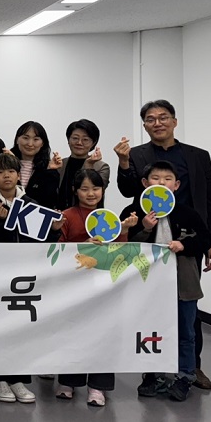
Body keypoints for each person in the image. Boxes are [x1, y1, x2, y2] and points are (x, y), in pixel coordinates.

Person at [114, 99, 211, 390]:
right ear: (144, 125)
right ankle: (153, 369)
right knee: (150, 308)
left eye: (163, 117)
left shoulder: (198, 156)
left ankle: (192, 367)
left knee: (188, 306)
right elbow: (127, 190)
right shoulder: (136, 154)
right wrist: (123, 163)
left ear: (174, 121)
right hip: (150, 241)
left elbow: (208, 199)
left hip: (187, 240)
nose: (157, 123)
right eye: (150, 119)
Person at [124, 161, 211, 402]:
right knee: (151, 330)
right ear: (145, 183)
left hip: (184, 284)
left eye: (167, 179)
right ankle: (153, 374)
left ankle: (185, 375)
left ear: (176, 185)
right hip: (148, 286)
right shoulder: (134, 212)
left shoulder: (187, 213)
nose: (161, 183)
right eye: (155, 178)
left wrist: (184, 245)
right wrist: (144, 229)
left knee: (186, 332)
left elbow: (205, 239)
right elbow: (123, 245)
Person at [0, 152, 63, 404]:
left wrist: (54, 231)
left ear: (19, 175)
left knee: (21, 327)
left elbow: (40, 239)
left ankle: (19, 379)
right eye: (0, 172)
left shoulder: (30, 203)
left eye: (11, 171)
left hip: (24, 276)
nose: (6, 176)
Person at [54, 168, 137, 406]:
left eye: (96, 188)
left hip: (103, 285)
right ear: (75, 191)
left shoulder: (110, 217)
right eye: (85, 189)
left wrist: (124, 231)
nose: (91, 194)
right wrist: (82, 244)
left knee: (103, 333)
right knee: (72, 332)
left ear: (103, 190)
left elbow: (121, 252)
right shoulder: (67, 216)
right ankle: (68, 381)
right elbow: (57, 250)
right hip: (73, 285)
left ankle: (98, 386)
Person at [56, 120, 109, 209]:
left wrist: (89, 165)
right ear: (68, 140)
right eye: (75, 138)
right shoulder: (59, 164)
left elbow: (96, 193)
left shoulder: (101, 167)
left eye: (85, 139)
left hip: (88, 215)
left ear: (93, 143)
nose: (79, 143)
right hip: (59, 213)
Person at [11, 121, 61, 209]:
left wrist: (50, 171)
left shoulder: (48, 167)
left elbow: (49, 201)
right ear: (17, 140)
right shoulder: (7, 163)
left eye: (36, 139)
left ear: (42, 143)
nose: (30, 144)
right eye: (25, 138)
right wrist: (10, 163)